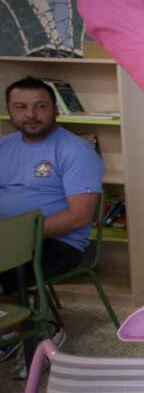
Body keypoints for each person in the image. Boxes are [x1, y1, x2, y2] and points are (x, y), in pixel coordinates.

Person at [0, 77, 101, 358]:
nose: (30, 115)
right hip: (7, 238)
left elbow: (80, 216)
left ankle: (40, 331)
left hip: (59, 242)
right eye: (21, 107)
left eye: (40, 106)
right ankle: (10, 329)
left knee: (6, 269)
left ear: (54, 109)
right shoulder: (3, 147)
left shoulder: (76, 151)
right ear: (9, 109)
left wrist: (18, 236)